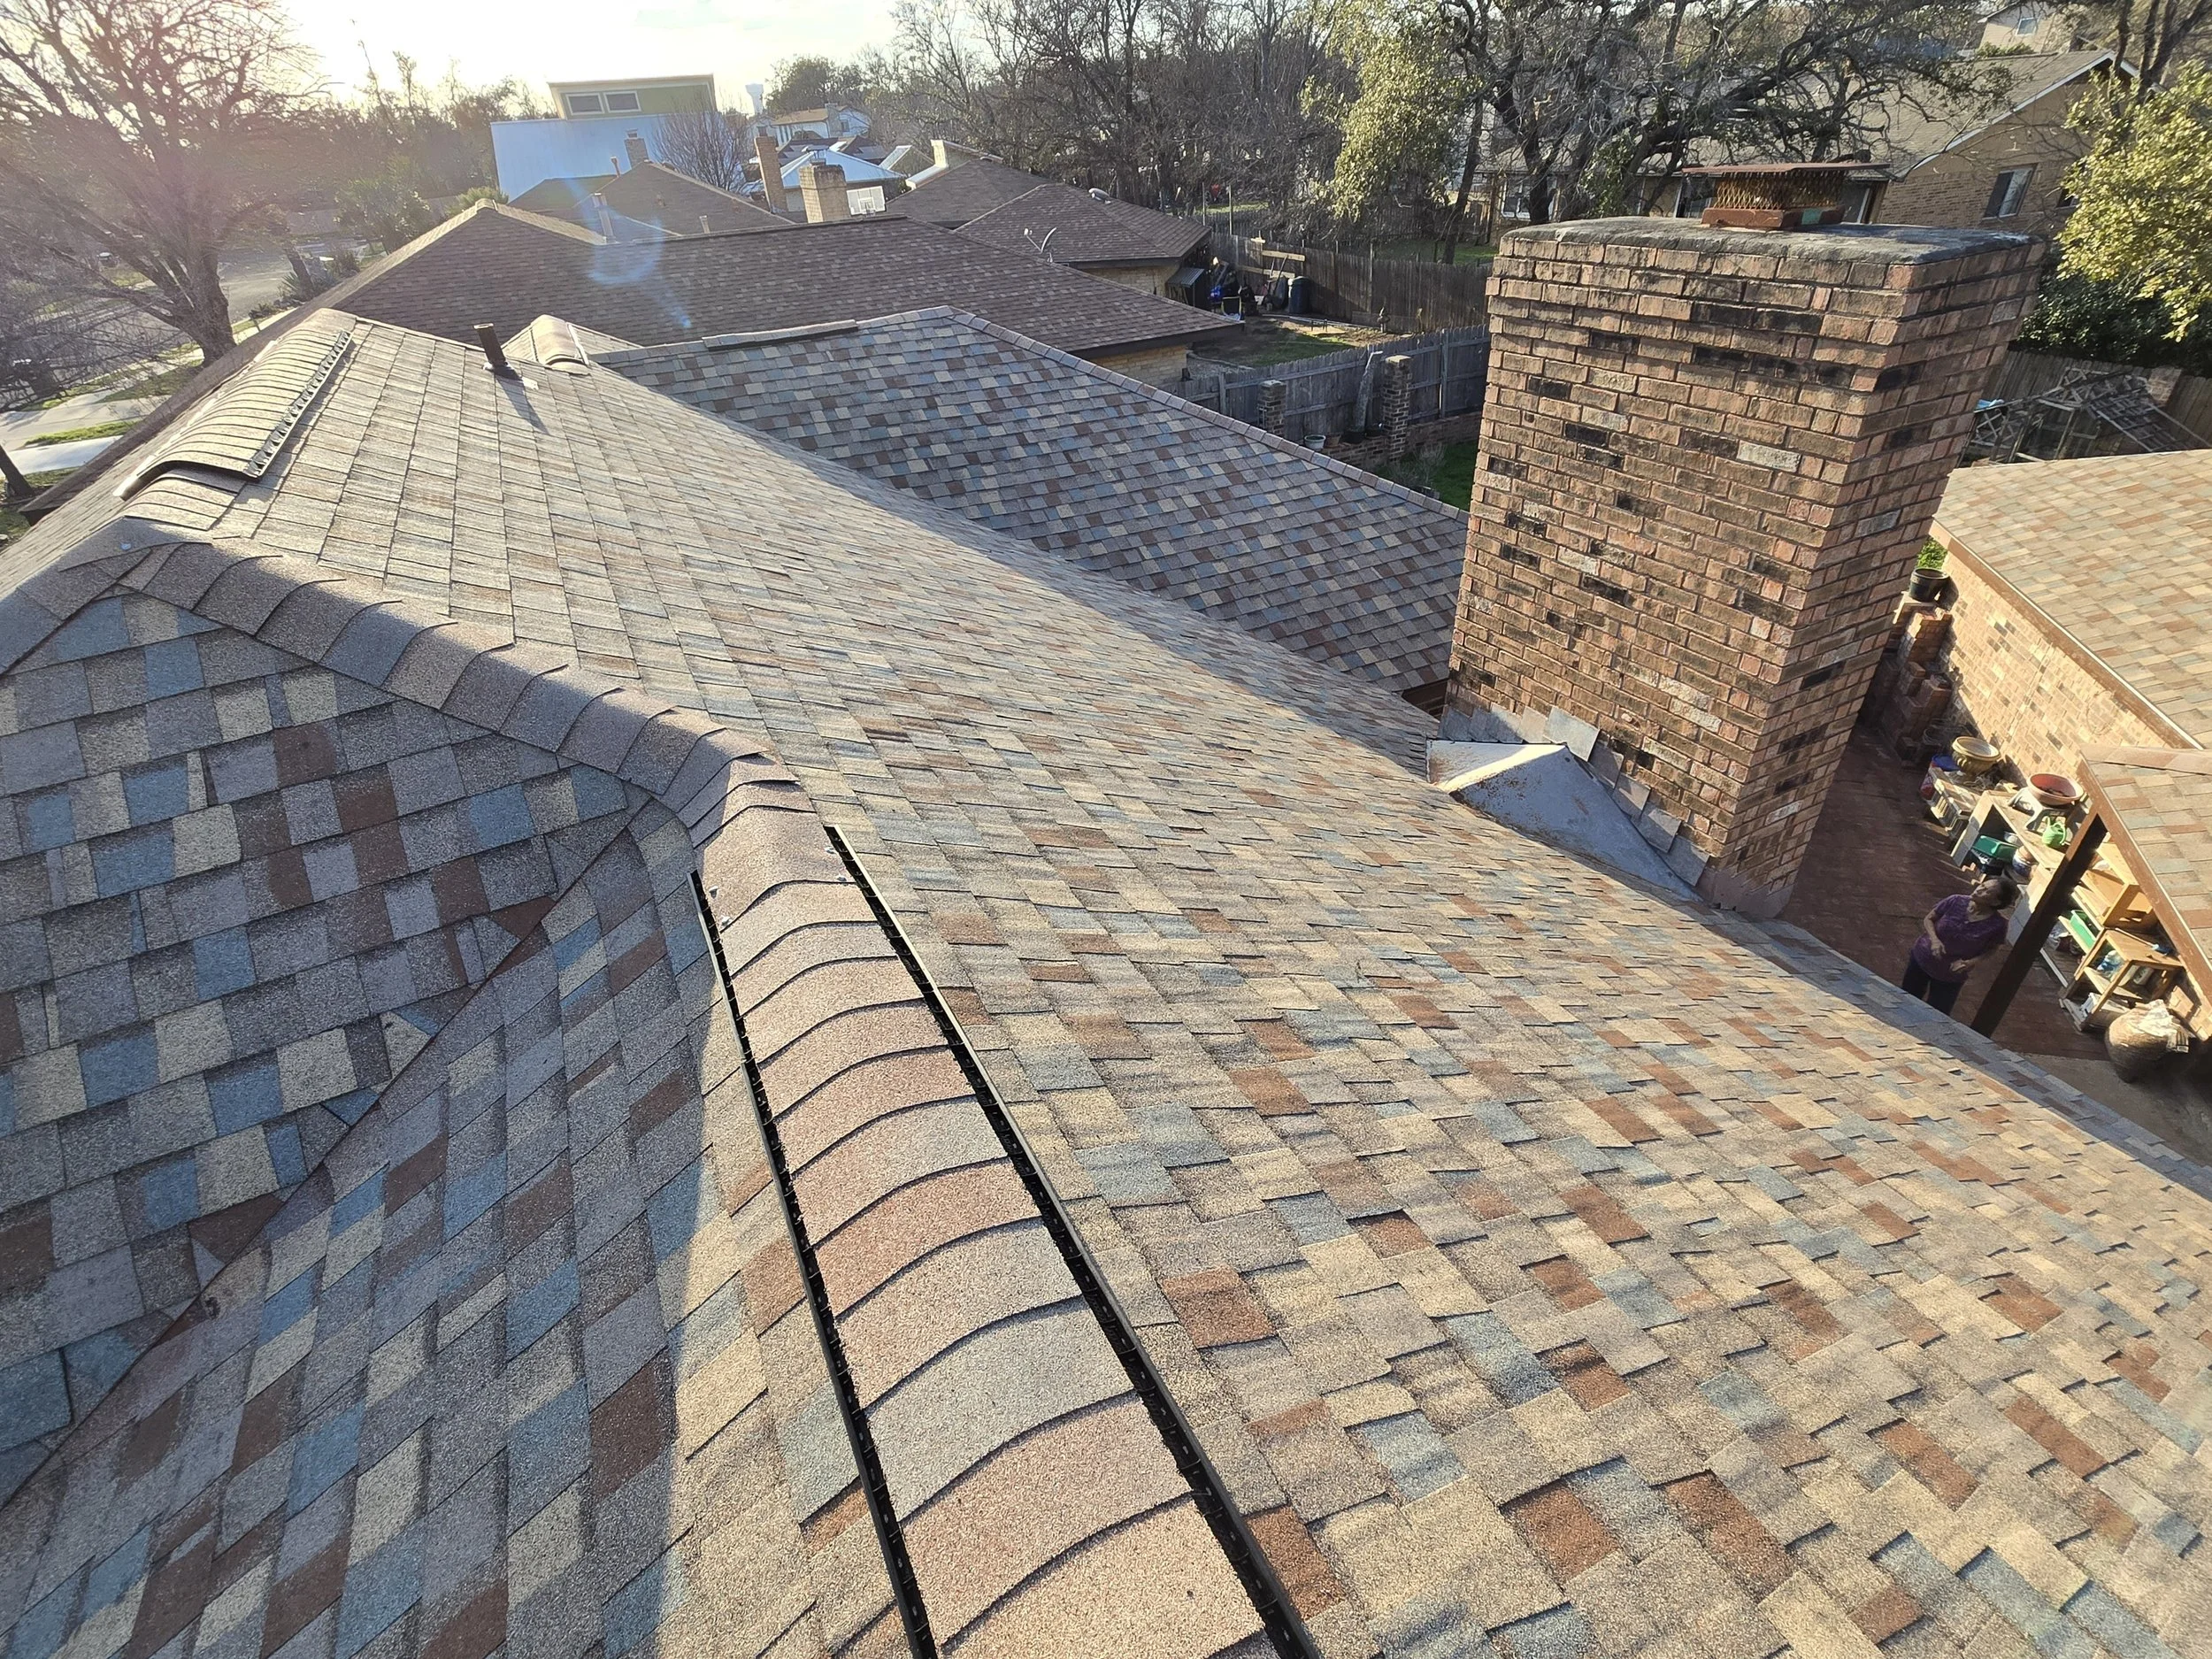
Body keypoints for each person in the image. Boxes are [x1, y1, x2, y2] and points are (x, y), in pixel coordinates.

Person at [1902, 872, 2020, 1016]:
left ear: (1996, 902)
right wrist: (1935, 940)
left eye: (1987, 891)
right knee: (1906, 1000)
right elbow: (1929, 918)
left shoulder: (1998, 925)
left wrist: (1970, 963)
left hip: (1951, 975)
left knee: (1937, 1014)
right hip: (1922, 959)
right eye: (1982, 886)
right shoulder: (1956, 900)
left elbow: (1992, 949)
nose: (1979, 889)